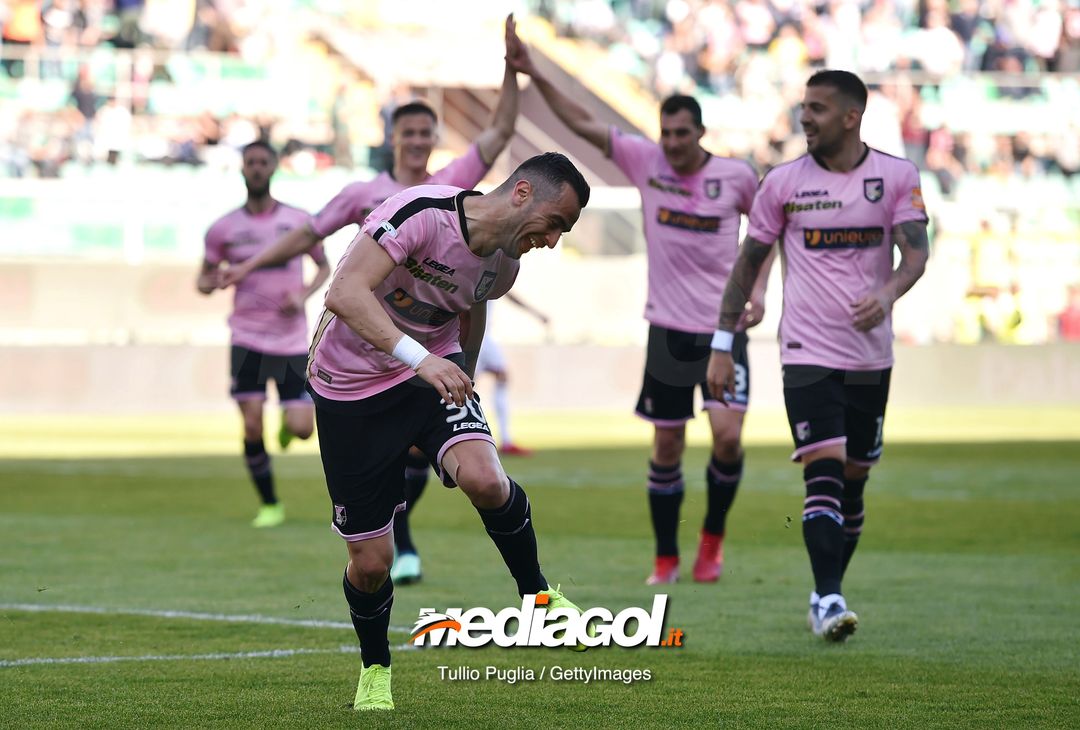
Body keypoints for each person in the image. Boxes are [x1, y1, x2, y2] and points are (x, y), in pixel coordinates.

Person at [223, 13, 523, 585]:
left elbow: (500, 132)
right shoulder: (364, 194)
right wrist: (249, 265)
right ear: (392, 138)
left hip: (425, 351)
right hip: (361, 354)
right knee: (384, 477)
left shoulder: (452, 188)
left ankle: (406, 542)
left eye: (425, 132)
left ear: (434, 139)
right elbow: (306, 234)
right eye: (408, 132)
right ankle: (396, 544)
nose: (417, 141)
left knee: (440, 456)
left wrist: (512, 69)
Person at [308, 153, 591, 711]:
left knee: (486, 479)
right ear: (522, 192)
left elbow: (472, 306)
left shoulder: (504, 267)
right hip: (350, 387)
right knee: (372, 564)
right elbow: (344, 293)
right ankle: (375, 670)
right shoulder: (420, 213)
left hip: (428, 374)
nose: (553, 241)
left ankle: (538, 596)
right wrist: (423, 361)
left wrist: (464, 373)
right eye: (555, 222)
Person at [507, 34, 770, 585]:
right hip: (668, 329)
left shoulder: (736, 177)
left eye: (681, 133)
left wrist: (760, 290)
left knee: (727, 437)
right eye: (665, 133)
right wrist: (534, 71)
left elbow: (767, 233)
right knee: (667, 442)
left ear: (701, 133)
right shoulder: (647, 162)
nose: (671, 143)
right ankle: (666, 558)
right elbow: (581, 122)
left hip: (723, 331)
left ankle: (712, 542)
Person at [707, 70, 930, 642]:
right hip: (806, 350)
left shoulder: (897, 177)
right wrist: (723, 342)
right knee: (824, 469)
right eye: (804, 106)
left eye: (818, 108)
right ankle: (830, 598)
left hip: (871, 355)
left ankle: (824, 592)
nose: (805, 117)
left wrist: (887, 294)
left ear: (852, 117)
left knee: (855, 478)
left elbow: (916, 255)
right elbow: (747, 262)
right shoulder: (782, 183)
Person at [196, 140, 331, 527]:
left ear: (273, 168)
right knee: (252, 424)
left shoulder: (298, 221)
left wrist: (303, 295)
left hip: (290, 340)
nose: (256, 168)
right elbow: (202, 280)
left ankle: (289, 424)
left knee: (304, 430)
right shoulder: (223, 228)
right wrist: (212, 281)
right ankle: (270, 504)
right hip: (247, 339)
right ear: (242, 169)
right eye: (250, 162)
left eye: (262, 162)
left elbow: (324, 266)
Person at [475, 291, 550, 457]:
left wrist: (535, 313)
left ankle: (506, 440)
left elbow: (509, 293)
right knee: (465, 387)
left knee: (501, 377)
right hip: (470, 336)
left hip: (484, 337)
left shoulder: (492, 276)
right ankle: (458, 436)